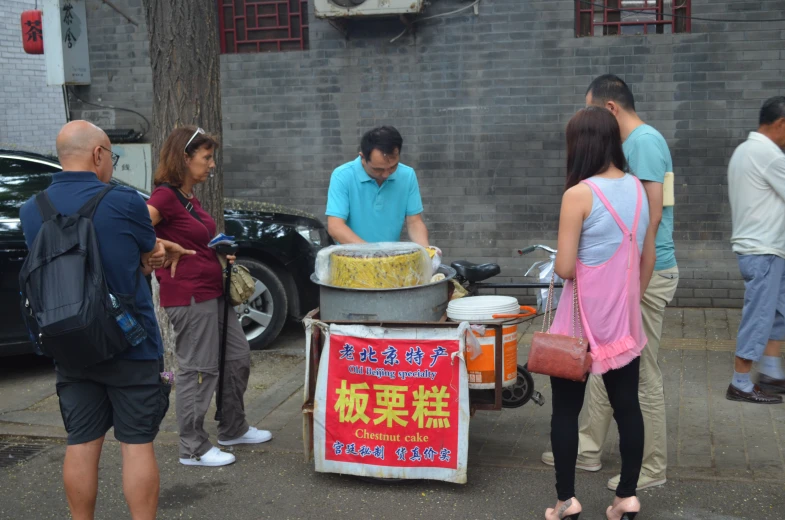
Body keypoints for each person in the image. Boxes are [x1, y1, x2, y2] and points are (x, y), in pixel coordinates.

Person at [19, 121, 185, 520]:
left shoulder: (32, 210)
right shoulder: (124, 201)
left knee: (81, 441)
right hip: (131, 341)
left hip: (70, 341)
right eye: (112, 155)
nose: (112, 162)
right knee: (136, 444)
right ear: (98, 155)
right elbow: (147, 253)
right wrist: (155, 254)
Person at [542, 74, 678, 492]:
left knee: (599, 398)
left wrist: (627, 287)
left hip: (598, 306)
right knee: (624, 395)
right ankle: (617, 485)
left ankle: (575, 497)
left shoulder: (584, 190)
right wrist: (629, 291)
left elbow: (567, 267)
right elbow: (646, 234)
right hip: (621, 304)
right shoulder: (635, 183)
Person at [545, 107, 652, 520]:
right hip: (622, 320)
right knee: (628, 407)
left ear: (580, 145)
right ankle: (626, 496)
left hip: (580, 322)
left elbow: (567, 268)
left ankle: (566, 501)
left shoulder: (579, 194)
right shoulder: (640, 190)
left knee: (566, 411)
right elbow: (643, 256)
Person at [146, 126, 272, 467]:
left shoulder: (189, 199)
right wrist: (158, 247)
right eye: (206, 157)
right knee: (198, 370)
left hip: (214, 293)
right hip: (189, 296)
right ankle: (192, 447)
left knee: (237, 358)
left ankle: (232, 427)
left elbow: (199, 238)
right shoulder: (164, 197)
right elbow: (137, 227)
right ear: (184, 159)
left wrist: (220, 249)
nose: (211, 164)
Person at [725, 96, 785, 404]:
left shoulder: (743, 151)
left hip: (760, 250)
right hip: (764, 251)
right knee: (760, 317)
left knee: (776, 313)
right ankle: (740, 382)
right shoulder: (770, 155)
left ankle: (773, 375)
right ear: (780, 124)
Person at [325, 126, 430, 247]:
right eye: (378, 169)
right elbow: (335, 227)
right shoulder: (342, 176)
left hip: (388, 259)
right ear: (363, 157)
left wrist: (426, 252)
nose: (386, 174)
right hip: (350, 259)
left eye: (392, 167)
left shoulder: (407, 175)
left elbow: (414, 222)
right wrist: (373, 254)